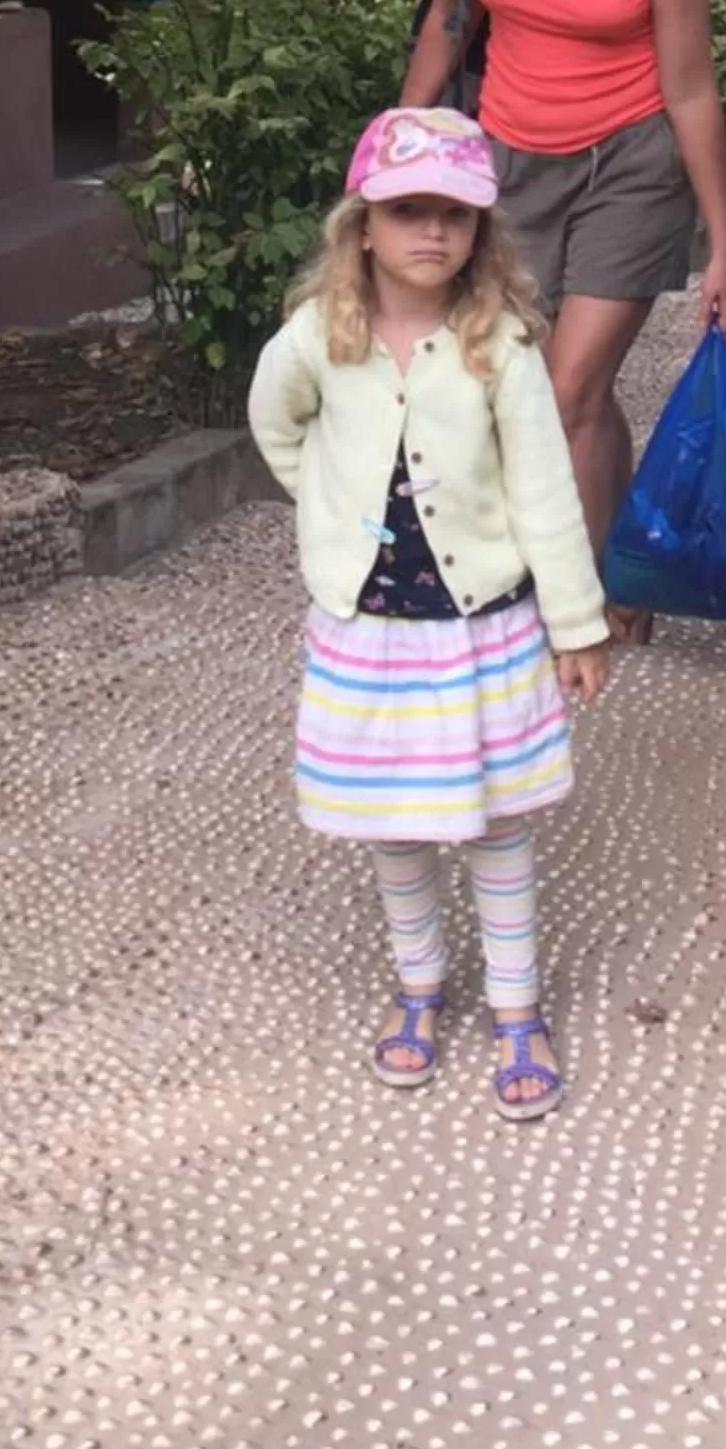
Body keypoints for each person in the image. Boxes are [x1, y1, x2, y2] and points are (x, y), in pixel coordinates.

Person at [249, 103, 611, 1120]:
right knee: (394, 830)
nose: (432, 232)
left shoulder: (500, 343)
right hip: (371, 637)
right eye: (408, 210)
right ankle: (418, 988)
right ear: (362, 225)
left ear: (481, 231)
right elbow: (278, 431)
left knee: (496, 828)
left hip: (480, 632)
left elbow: (544, 484)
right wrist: (332, 516)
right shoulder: (317, 339)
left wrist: (575, 623)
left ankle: (516, 1007)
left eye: (454, 214)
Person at [403, 0, 726, 640]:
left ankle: (586, 595)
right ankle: (620, 542)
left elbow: (690, 83)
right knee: (546, 387)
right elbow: (450, 15)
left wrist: (721, 243)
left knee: (569, 386)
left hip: (630, 166)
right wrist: (398, 132)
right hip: (507, 162)